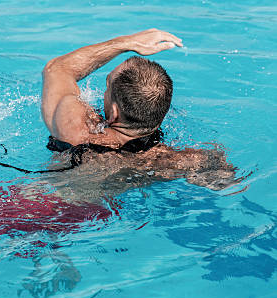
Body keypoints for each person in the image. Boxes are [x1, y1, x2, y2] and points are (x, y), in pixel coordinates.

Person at [40, 28, 240, 196]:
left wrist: (125, 43)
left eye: (107, 87)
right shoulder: (171, 159)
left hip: (50, 202)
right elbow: (227, 182)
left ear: (114, 112)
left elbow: (57, 69)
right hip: (102, 210)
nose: (104, 92)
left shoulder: (78, 130)